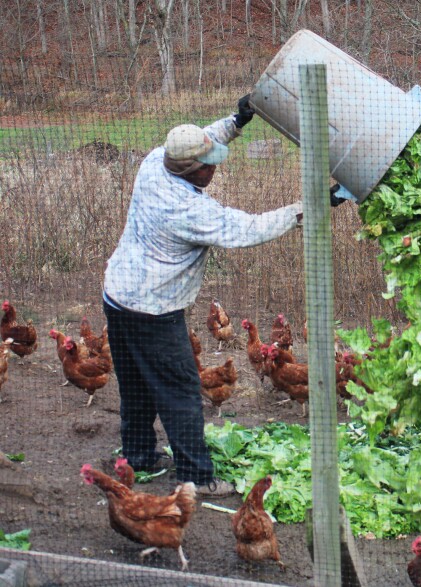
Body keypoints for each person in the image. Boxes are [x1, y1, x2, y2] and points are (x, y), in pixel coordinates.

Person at [102, 95, 347, 497]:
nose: (215, 166)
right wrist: (316, 205)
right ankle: (197, 477)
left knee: (135, 383)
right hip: (152, 310)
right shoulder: (186, 211)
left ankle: (140, 455)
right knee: (182, 392)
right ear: (194, 172)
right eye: (209, 164)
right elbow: (249, 228)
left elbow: (198, 140)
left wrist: (238, 120)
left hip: (117, 295)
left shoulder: (156, 162)